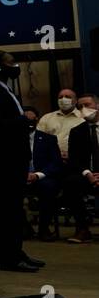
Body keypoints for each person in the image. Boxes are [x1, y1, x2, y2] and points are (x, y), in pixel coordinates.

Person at [0, 49, 43, 270]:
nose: (15, 66)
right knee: (6, 212)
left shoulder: (6, 90)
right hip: (4, 163)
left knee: (15, 211)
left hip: (16, 160)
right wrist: (23, 119)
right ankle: (9, 259)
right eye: (10, 62)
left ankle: (17, 252)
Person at [61, 93, 99, 243]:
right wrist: (88, 174)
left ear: (97, 106)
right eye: (80, 106)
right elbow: (74, 160)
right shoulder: (77, 131)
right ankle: (82, 228)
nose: (83, 109)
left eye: (87, 105)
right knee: (70, 183)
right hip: (88, 174)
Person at [23, 106, 63, 241]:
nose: (28, 121)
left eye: (31, 118)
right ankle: (25, 228)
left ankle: (43, 229)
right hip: (19, 177)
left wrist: (37, 175)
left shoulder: (48, 139)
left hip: (42, 177)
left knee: (49, 187)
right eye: (25, 118)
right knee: (7, 190)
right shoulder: (11, 140)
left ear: (37, 120)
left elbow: (56, 163)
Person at [37, 88, 83, 162]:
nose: (63, 99)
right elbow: (39, 140)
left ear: (76, 101)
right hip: (51, 161)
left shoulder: (83, 117)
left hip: (77, 161)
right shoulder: (47, 117)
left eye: (68, 97)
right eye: (60, 97)